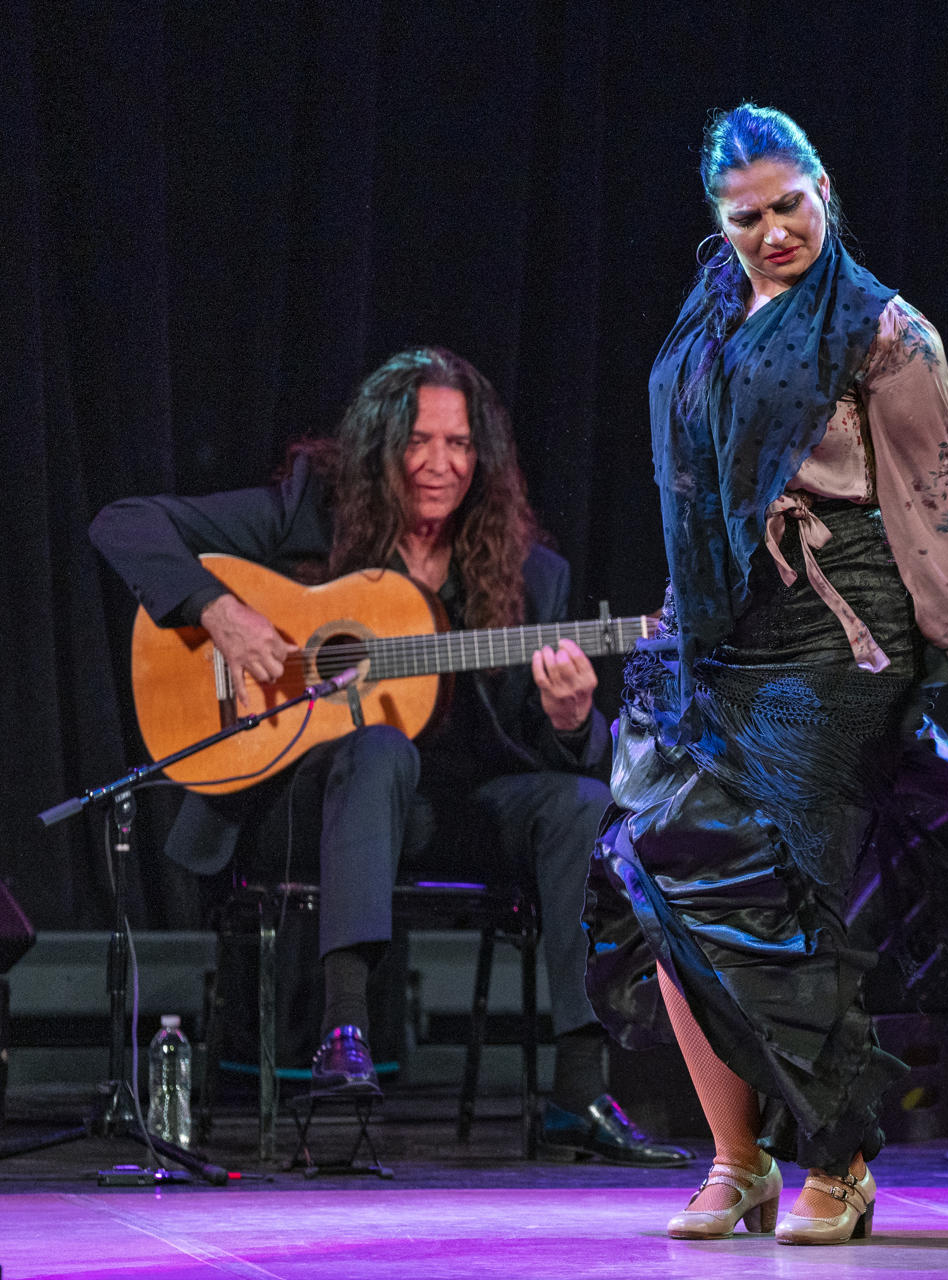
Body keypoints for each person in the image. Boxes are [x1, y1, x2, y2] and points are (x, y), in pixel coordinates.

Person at [583, 105, 948, 1245]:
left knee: (765, 883)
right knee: (663, 874)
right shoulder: (708, 316)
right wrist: (683, 605)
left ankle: (838, 1154)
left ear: (824, 188)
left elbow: (938, 500)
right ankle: (737, 1159)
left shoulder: (884, 331)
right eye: (745, 216)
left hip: (848, 628)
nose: (773, 230)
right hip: (721, 631)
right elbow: (701, 488)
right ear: (718, 221)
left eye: (789, 204)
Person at [89, 346, 688, 1166]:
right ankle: (344, 1032)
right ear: (381, 446)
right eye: (420, 441)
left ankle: (578, 1088)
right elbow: (124, 522)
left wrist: (573, 718)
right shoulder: (311, 514)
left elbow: (557, 752)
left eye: (461, 444)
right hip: (320, 808)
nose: (441, 464)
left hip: (457, 816)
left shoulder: (529, 579)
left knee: (581, 806)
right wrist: (216, 609)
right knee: (377, 746)